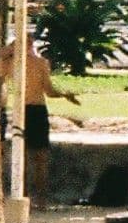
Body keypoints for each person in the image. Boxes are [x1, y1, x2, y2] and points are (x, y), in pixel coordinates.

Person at [16, 36, 82, 184]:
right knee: (39, 155)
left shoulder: (13, 62)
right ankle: (39, 193)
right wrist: (65, 94)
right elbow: (49, 91)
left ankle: (29, 190)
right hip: (36, 109)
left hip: (22, 110)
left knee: (25, 154)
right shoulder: (40, 63)